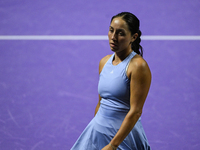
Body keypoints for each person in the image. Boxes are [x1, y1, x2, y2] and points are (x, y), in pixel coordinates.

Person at [71, 12, 151, 150]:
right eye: (111, 30)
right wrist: (95, 130)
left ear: (134, 37)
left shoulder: (138, 66)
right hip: (98, 132)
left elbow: (136, 112)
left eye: (120, 33)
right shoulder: (104, 62)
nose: (113, 37)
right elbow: (101, 102)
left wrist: (113, 145)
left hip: (122, 139)